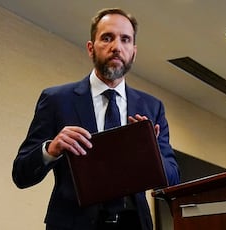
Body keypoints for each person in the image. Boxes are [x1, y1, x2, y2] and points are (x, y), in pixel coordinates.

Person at [12, 8, 180, 230]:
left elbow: (173, 177)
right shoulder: (56, 100)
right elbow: (21, 174)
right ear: (91, 48)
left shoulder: (152, 107)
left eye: (125, 40)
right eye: (107, 38)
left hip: (134, 223)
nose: (116, 47)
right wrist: (51, 149)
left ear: (134, 51)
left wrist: (150, 152)